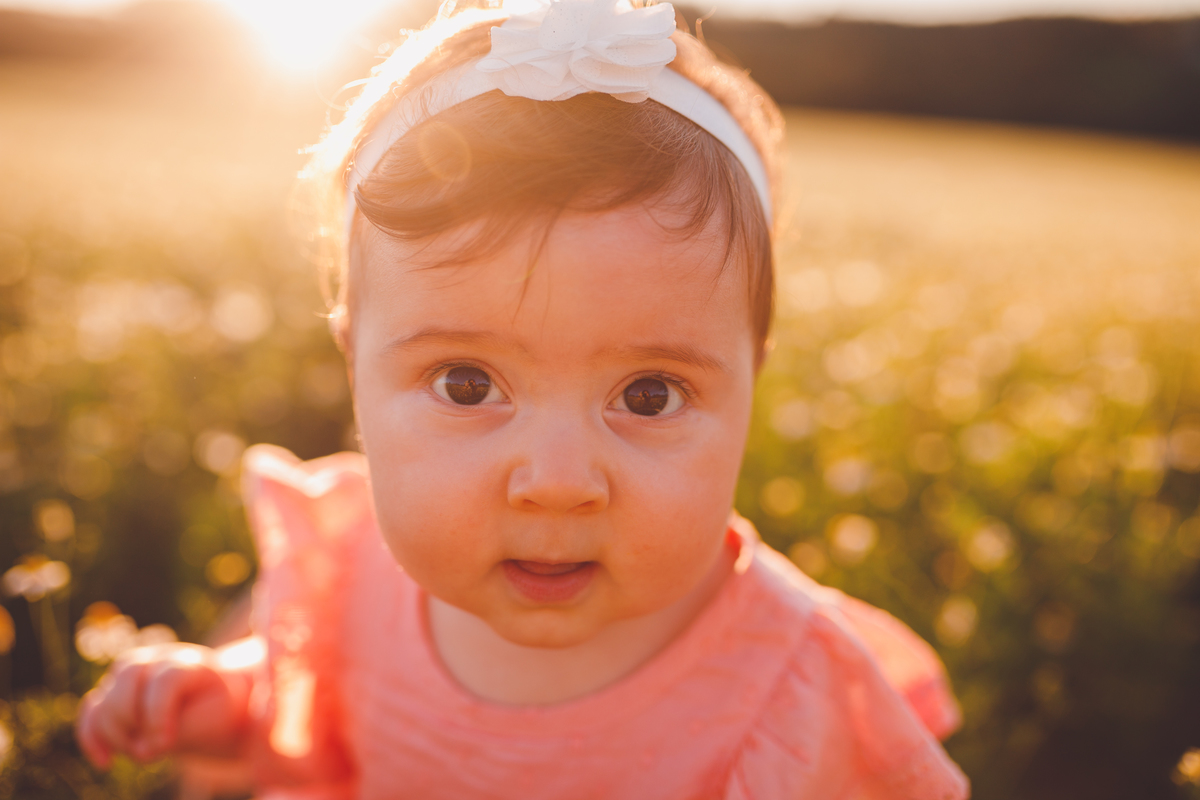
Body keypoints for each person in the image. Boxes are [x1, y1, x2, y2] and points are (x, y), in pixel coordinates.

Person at [75, 1, 970, 797]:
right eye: (467, 385)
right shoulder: (351, 573)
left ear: (753, 377)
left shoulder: (794, 701)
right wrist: (230, 707)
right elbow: (317, 709)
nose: (557, 481)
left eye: (649, 394)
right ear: (354, 367)